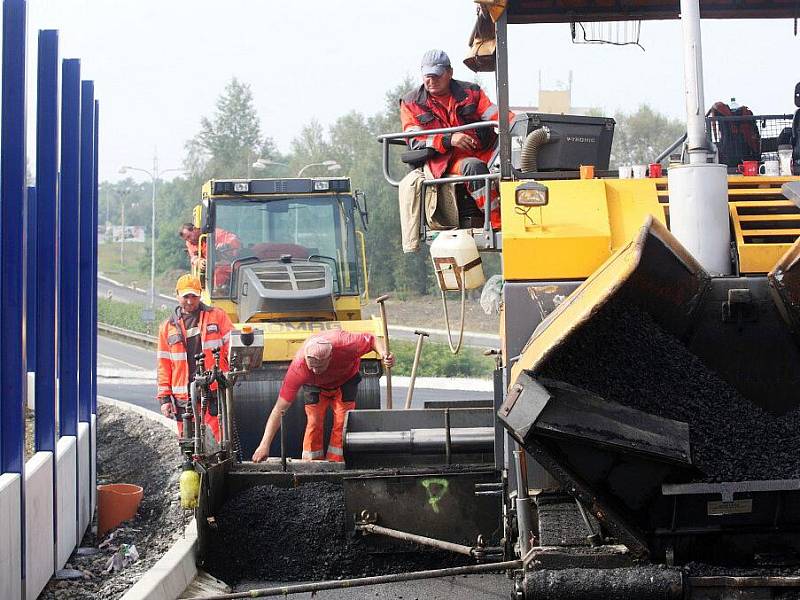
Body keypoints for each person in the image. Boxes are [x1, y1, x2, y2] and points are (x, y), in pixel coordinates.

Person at [399, 49, 514, 230]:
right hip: (445, 160)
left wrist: (520, 125)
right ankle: (498, 224)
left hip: (483, 151)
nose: (431, 80)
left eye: (437, 75)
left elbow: (496, 115)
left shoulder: (471, 92)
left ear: (450, 73)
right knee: (473, 167)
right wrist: (448, 139)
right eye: (427, 76)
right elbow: (415, 140)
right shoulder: (411, 103)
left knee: (515, 158)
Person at [251, 330, 395, 463]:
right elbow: (279, 409)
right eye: (311, 366)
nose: (315, 370)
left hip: (345, 382)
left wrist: (383, 354)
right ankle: (311, 465)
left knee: (342, 423)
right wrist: (264, 445)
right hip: (315, 386)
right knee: (314, 421)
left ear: (330, 356)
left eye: (319, 366)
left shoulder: (346, 343)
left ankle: (337, 464)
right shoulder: (299, 369)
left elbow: (372, 340)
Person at [157, 274, 234, 442]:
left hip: (213, 390)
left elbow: (232, 345)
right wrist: (164, 398)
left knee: (218, 440)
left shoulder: (217, 316)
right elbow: (164, 365)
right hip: (184, 398)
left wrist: (233, 370)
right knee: (188, 443)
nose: (190, 301)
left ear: (200, 295)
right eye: (186, 296)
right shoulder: (167, 328)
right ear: (177, 295)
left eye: (194, 296)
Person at [178, 223, 241, 288]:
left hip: (232, 264)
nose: (189, 240)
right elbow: (193, 258)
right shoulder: (190, 243)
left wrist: (226, 245)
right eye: (186, 239)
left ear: (194, 229)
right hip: (214, 271)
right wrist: (200, 262)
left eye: (189, 236)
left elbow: (234, 240)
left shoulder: (214, 233)